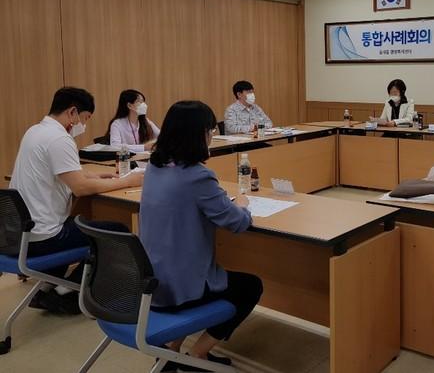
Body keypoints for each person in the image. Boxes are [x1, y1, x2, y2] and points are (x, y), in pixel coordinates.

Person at [140, 100, 263, 369]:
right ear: (199, 135)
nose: (211, 136)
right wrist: (242, 204)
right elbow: (237, 223)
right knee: (250, 287)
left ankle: (171, 350)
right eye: (210, 131)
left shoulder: (154, 167)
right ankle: (199, 353)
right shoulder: (197, 176)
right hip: (181, 284)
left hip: (153, 279)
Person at [9, 87, 143, 313]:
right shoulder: (59, 138)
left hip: (19, 234)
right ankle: (68, 293)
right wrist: (128, 181)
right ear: (72, 112)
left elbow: (65, 172)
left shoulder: (35, 131)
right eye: (85, 118)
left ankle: (45, 290)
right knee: (117, 232)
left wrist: (94, 175)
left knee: (78, 222)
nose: (83, 125)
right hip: (43, 236)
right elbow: (80, 188)